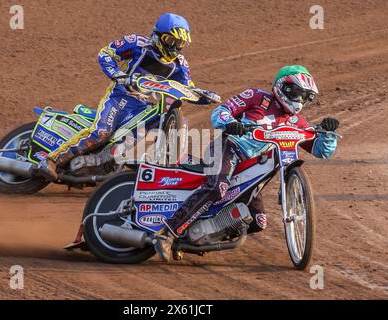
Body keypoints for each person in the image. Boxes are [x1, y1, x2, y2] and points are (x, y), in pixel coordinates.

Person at [155, 65, 340, 261]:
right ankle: (167, 232)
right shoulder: (257, 97)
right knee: (217, 187)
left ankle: (195, 240)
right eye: (297, 93)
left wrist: (328, 134)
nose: (300, 100)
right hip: (228, 147)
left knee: (258, 221)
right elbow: (221, 112)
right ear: (283, 88)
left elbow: (321, 150)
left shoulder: (296, 122)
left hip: (254, 170)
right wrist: (231, 124)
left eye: (305, 96)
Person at [38, 13, 219, 181]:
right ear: (158, 36)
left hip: (142, 105)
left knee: (151, 127)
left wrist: (205, 96)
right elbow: (106, 53)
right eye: (170, 40)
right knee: (102, 133)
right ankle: (51, 160)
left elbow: (186, 89)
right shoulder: (138, 44)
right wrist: (118, 75)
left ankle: (153, 167)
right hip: (120, 96)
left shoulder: (180, 65)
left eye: (179, 43)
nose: (174, 47)